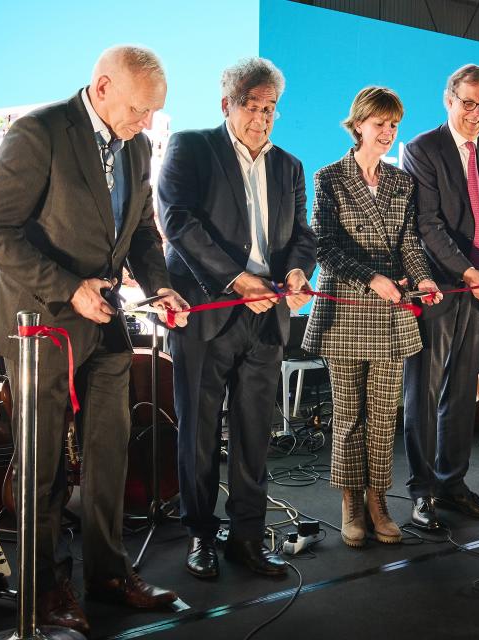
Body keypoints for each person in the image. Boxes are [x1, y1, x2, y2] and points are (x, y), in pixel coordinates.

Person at [0, 46, 188, 636]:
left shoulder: (137, 144)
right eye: (141, 110)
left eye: (154, 114)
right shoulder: (39, 132)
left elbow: (142, 230)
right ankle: (44, 590)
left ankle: (108, 574)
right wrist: (69, 289)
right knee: (42, 468)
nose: (147, 124)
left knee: (111, 452)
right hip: (41, 325)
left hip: (107, 321)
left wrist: (160, 286)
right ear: (104, 85)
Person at [157, 57, 316, 580]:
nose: (263, 118)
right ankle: (200, 535)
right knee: (199, 434)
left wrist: (295, 273)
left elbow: (303, 237)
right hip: (208, 314)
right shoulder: (192, 146)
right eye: (253, 107)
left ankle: (247, 537)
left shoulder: (289, 166)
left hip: (268, 320)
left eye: (271, 108)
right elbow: (177, 219)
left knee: (255, 435)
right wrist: (234, 280)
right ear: (227, 105)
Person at [301, 87, 440, 547]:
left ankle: (379, 500)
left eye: (394, 125)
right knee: (348, 417)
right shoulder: (329, 178)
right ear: (357, 124)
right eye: (380, 123)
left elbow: (409, 245)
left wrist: (422, 280)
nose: (388, 132)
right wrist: (372, 279)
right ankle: (350, 503)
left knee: (384, 417)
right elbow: (325, 249)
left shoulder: (402, 182)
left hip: (392, 313)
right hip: (347, 311)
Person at [401, 64, 479, 531]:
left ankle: (453, 483)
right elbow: (427, 224)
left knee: (463, 391)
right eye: (468, 103)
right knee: (424, 393)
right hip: (439, 288)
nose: (477, 113)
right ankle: (423, 492)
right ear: (448, 100)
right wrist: (469, 271)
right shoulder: (422, 149)